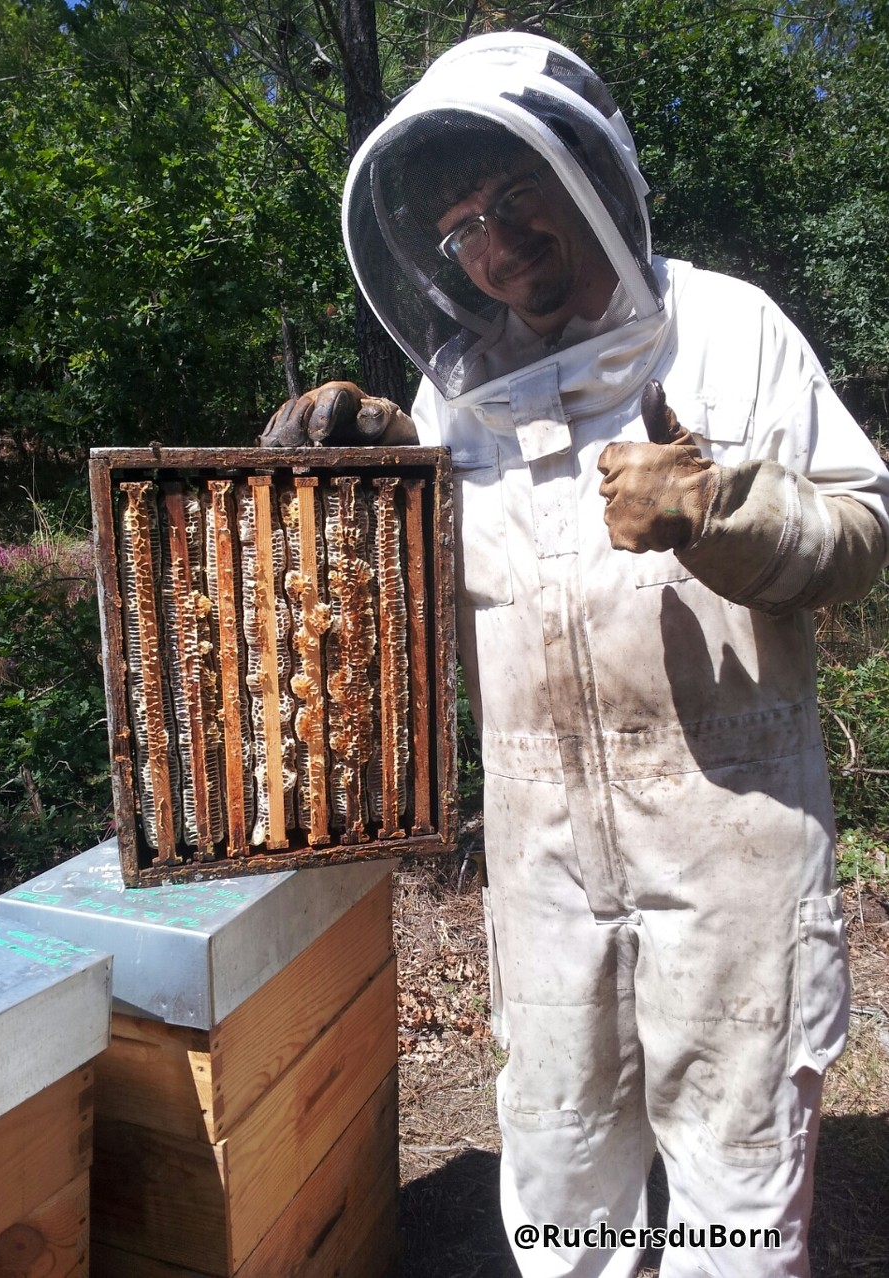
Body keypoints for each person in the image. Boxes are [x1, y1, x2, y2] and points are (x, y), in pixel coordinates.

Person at [264, 32, 889, 1278]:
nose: (491, 248)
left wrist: (725, 507)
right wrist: (374, 475)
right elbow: (407, 601)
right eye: (457, 233)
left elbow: (861, 534)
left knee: (735, 1176)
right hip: (543, 863)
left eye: (510, 203)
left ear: (587, 176)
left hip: (734, 850)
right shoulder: (460, 398)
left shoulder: (726, 328)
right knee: (558, 1172)